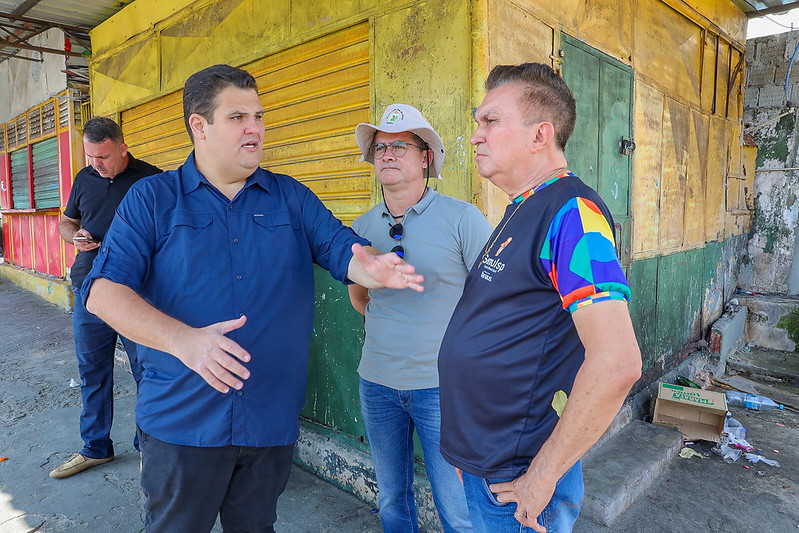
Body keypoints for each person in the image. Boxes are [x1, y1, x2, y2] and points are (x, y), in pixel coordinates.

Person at [81, 64, 424, 533]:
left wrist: (373, 266)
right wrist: (185, 341)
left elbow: (341, 249)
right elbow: (101, 294)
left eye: (259, 116)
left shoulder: (290, 197)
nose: (255, 128)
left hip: (269, 419)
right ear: (198, 126)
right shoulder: (152, 199)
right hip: (183, 421)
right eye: (238, 117)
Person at [437, 63, 642, 533]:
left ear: (539, 135)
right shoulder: (524, 208)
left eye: (490, 121)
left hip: (519, 477)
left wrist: (542, 477)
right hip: (488, 460)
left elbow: (617, 361)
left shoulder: (573, 213)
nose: (475, 136)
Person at [348, 104, 491, 532]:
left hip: (442, 390)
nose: (386, 154)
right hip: (377, 384)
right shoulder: (361, 227)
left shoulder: (462, 218)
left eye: (399, 146)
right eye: (379, 148)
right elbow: (360, 298)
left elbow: (492, 300)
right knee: (392, 499)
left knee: (458, 508)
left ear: (426, 157)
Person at [51, 117, 162, 479]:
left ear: (122, 147)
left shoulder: (152, 180)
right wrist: (75, 235)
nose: (96, 164)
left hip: (136, 292)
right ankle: (96, 448)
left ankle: (149, 446)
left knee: (146, 370)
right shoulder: (84, 178)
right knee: (92, 371)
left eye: (103, 156)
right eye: (89, 156)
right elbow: (66, 222)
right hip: (89, 288)